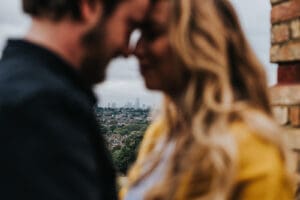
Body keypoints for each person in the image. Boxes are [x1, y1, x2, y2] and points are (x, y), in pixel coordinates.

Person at [122, 0, 295, 199]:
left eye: (152, 33)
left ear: (198, 40)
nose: (137, 49)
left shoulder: (254, 155)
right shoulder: (161, 133)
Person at [0, 0, 149, 199]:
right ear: (89, 7)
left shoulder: (21, 90)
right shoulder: (42, 111)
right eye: (129, 25)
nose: (127, 49)